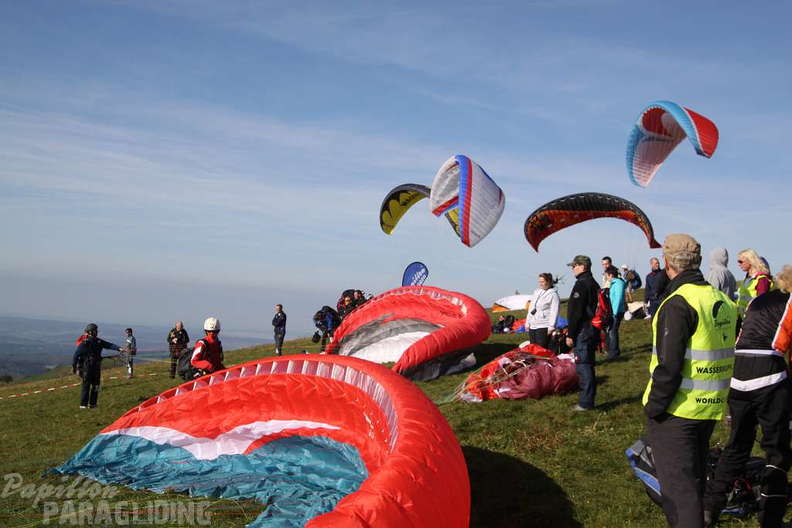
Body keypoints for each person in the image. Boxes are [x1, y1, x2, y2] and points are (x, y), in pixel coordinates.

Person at [642, 234, 737, 528]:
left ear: (667, 262)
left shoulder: (677, 303)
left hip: (677, 410)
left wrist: (654, 408)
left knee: (679, 494)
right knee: (693, 481)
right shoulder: (722, 300)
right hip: (709, 407)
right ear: (698, 260)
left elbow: (668, 367)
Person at [703, 265, 792, 528]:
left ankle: (709, 507)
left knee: (737, 445)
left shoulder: (757, 300)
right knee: (776, 451)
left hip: (738, 371)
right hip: (768, 372)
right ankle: (771, 517)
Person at [566, 255, 600, 411]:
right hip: (592, 329)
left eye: (575, 266)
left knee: (583, 366)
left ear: (583, 266)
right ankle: (588, 399)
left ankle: (586, 403)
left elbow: (576, 313)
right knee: (588, 364)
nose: (573, 269)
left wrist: (570, 334)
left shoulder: (581, 284)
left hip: (583, 330)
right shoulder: (593, 283)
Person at [72, 323, 123, 409]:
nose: (97, 332)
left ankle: (92, 404)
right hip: (87, 368)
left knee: (95, 386)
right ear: (91, 332)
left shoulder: (98, 341)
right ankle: (84, 405)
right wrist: (74, 367)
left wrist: (119, 348)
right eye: (95, 330)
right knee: (87, 386)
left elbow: (109, 345)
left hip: (95, 367)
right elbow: (76, 355)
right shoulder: (85, 343)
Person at [527, 273, 561, 349]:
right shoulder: (536, 292)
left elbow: (554, 311)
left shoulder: (553, 295)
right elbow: (531, 308)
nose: (540, 284)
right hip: (533, 325)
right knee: (533, 348)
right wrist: (527, 322)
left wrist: (551, 326)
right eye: (539, 282)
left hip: (543, 325)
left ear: (548, 282)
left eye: (542, 282)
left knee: (541, 349)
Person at [736, 249, 774, 317]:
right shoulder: (747, 279)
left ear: (750, 261)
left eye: (741, 261)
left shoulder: (762, 279)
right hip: (743, 317)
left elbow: (762, 303)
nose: (739, 264)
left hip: (754, 317)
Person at [604, 266, 626, 360]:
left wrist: (614, 312)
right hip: (613, 311)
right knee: (611, 331)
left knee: (612, 331)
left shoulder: (618, 284)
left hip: (616, 312)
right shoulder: (614, 283)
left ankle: (614, 352)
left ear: (611, 275)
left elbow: (618, 298)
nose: (606, 277)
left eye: (606, 275)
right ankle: (612, 350)